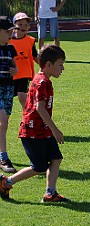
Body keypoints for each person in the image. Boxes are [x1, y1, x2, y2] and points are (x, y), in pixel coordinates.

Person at [0, 45, 70, 203]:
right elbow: (40, 108)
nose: (63, 68)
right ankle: (6, 182)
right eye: (60, 64)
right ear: (49, 64)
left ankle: (50, 193)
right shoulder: (42, 82)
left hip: (42, 130)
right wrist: (55, 130)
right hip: (33, 131)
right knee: (38, 167)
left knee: (56, 158)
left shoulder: (43, 80)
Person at [0, 16, 19, 173]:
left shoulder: (10, 49)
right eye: (7, 31)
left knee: (3, 126)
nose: (10, 34)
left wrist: (15, 71)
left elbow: (15, 68)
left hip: (8, 88)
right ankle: (3, 158)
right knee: (3, 123)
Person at [9, 12, 39, 110]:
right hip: (11, 74)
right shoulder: (8, 40)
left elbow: (35, 56)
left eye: (26, 25)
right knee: (8, 99)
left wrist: (45, 66)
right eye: (20, 24)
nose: (24, 27)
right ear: (14, 26)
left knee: (22, 96)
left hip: (24, 73)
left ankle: (28, 116)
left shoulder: (30, 40)